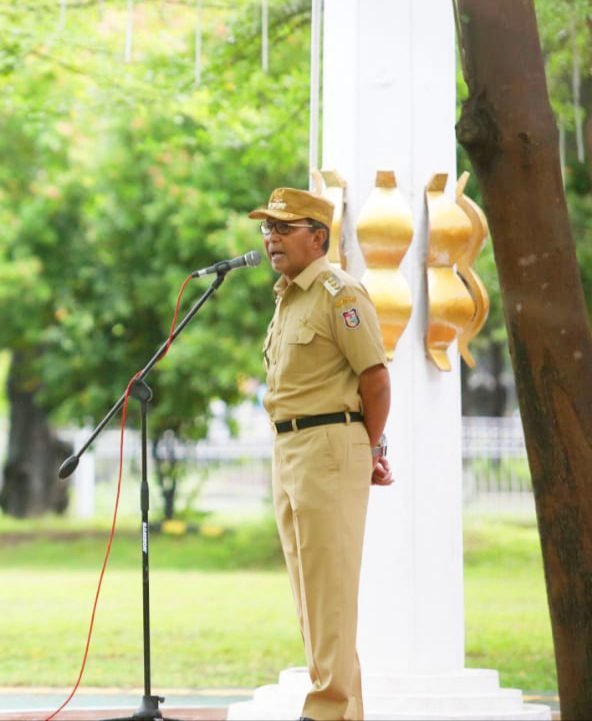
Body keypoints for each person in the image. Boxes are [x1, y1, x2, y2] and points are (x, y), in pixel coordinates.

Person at [250, 187, 393, 721]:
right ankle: (343, 711)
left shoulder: (340, 293)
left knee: (329, 592)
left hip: (330, 445)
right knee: (311, 595)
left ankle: (326, 712)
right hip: (288, 448)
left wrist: (370, 446)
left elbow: (376, 380)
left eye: (283, 229)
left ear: (318, 236)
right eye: (268, 229)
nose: (271, 239)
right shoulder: (289, 296)